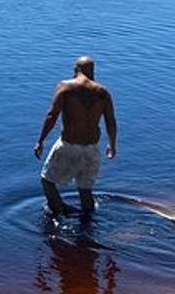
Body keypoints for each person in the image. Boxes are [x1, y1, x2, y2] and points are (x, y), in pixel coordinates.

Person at [33, 56, 117, 215]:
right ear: (92, 71)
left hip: (68, 145)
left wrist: (40, 141)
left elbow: (52, 115)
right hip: (92, 148)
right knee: (85, 191)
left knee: (47, 182)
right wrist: (112, 144)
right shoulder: (102, 92)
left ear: (75, 70)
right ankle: (87, 225)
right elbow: (110, 121)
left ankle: (59, 214)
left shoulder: (65, 87)